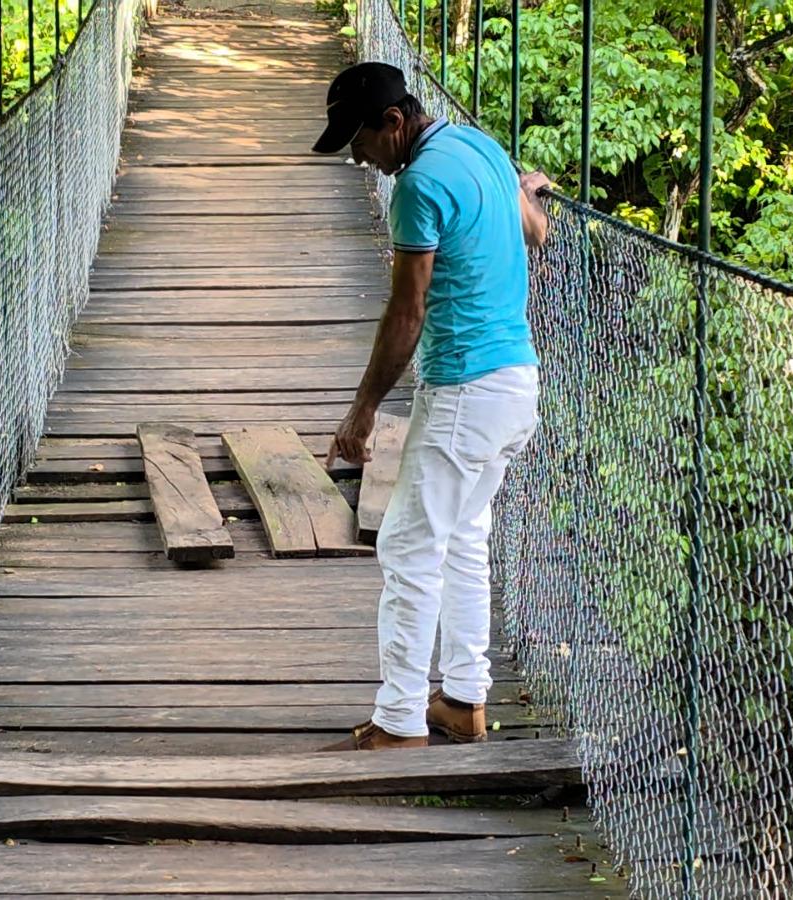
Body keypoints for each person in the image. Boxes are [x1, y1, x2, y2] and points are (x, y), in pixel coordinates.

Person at [314, 62, 550, 751]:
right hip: (516, 385)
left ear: (393, 123)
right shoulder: (479, 146)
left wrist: (362, 411)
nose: (358, 155)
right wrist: (526, 190)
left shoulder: (417, 185)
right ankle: (464, 701)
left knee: (410, 545)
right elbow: (538, 233)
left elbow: (406, 313)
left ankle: (398, 721)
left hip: (465, 393)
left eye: (359, 139)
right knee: (463, 539)